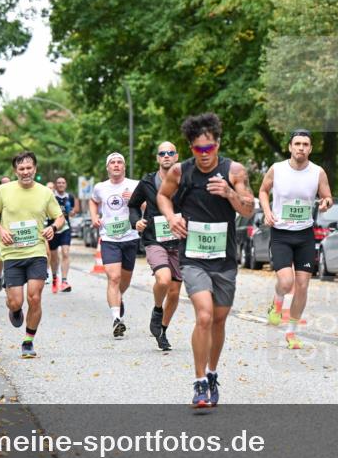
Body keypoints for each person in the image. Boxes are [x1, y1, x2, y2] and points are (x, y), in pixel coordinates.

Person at [157, 113, 255, 408]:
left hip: (224, 257)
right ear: (191, 148)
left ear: (217, 144)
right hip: (193, 258)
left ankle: (212, 373)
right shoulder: (179, 172)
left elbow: (248, 208)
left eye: (209, 148)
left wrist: (228, 193)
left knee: (220, 319)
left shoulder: (234, 171)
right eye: (198, 149)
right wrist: (171, 215)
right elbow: (163, 196)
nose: (204, 155)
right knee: (204, 315)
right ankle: (199, 383)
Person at [258, 129, 333, 349]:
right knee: (286, 282)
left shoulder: (318, 172)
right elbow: (263, 191)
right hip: (281, 234)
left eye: (305, 144)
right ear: (290, 147)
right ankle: (277, 303)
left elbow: (327, 196)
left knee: (302, 286)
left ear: (310, 148)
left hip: (305, 235)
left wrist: (326, 203)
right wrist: (267, 211)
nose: (301, 147)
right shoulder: (277, 169)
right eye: (297, 143)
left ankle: (291, 332)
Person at [0, 151, 63, 359]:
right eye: (21, 169)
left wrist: (53, 228)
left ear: (35, 169)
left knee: (34, 297)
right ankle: (15, 309)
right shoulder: (4, 190)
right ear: (15, 171)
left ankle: (28, 341)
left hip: (36, 251)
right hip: (11, 253)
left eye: (29, 168)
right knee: (16, 302)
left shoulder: (45, 193)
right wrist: (1, 230)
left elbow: (59, 216)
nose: (25, 172)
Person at [129, 142, 182, 351]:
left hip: (179, 240)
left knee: (176, 292)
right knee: (164, 279)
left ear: (176, 156)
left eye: (170, 152)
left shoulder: (185, 180)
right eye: (163, 153)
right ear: (158, 158)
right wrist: (136, 222)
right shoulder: (148, 181)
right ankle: (157, 309)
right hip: (154, 239)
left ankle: (163, 331)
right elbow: (133, 205)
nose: (167, 156)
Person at [90, 152, 140, 338]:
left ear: (124, 166)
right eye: (113, 162)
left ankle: (118, 299)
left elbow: (148, 205)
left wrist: (134, 199)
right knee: (114, 278)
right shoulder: (100, 187)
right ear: (108, 167)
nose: (116, 165)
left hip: (130, 237)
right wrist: (95, 216)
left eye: (120, 162)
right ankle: (116, 318)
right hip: (109, 238)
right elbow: (93, 202)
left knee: (124, 281)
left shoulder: (134, 185)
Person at [48, 177, 78, 293]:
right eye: (59, 182)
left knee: (65, 252)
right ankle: (55, 278)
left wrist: (71, 211)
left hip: (65, 228)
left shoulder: (69, 197)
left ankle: (64, 281)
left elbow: (73, 213)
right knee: (54, 256)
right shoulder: (51, 197)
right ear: (56, 185)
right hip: (53, 229)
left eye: (63, 183)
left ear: (66, 185)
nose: (61, 184)